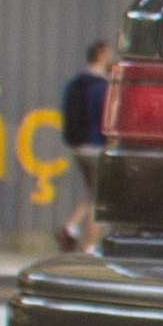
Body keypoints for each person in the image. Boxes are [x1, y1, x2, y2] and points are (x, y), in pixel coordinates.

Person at [60, 41, 113, 251]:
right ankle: (89, 245)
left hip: (79, 146)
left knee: (94, 192)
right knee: (99, 198)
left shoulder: (76, 84)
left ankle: (71, 227)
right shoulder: (103, 86)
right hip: (97, 146)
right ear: (100, 55)